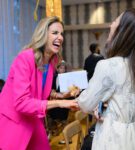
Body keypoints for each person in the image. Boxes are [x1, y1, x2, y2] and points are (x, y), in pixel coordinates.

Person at [0, 16, 78, 150]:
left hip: (33, 117)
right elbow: (21, 102)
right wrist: (60, 103)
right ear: (43, 35)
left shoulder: (52, 61)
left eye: (61, 34)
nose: (60, 37)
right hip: (15, 120)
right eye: (55, 33)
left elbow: (39, 93)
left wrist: (60, 96)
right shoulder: (25, 58)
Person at [76, 8, 135, 150]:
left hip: (114, 136)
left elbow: (85, 104)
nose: (111, 25)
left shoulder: (108, 65)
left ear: (123, 33)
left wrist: (82, 97)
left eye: (115, 21)